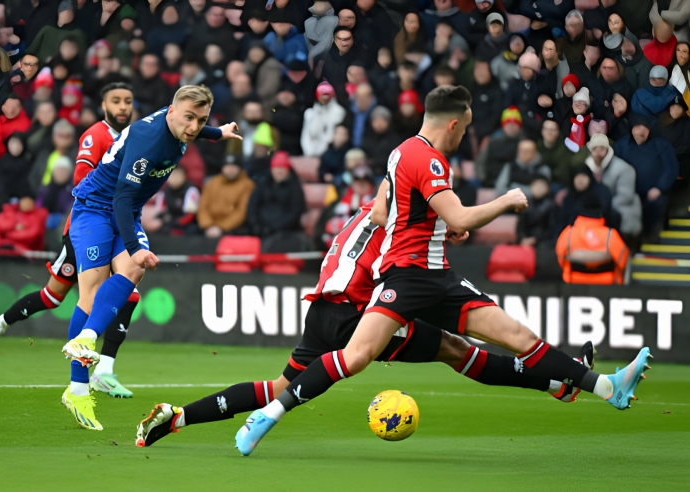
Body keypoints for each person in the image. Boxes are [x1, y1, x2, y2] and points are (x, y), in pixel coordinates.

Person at [234, 85, 652, 456]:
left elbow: (383, 211)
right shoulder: (429, 159)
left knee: (519, 338)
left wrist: (436, 227)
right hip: (406, 276)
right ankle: (269, 414)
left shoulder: (401, 151)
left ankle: (606, 387)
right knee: (357, 355)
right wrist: (506, 201)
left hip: (440, 277)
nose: (465, 135)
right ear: (452, 124)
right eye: (465, 128)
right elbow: (464, 217)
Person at [135, 199, 597, 448]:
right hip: (356, 313)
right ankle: (555, 381)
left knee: (280, 385)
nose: (450, 232)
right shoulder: (402, 223)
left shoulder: (370, 213)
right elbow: (400, 271)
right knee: (455, 349)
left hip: (323, 310)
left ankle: (179, 417)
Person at [59, 86, 240, 430]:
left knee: (132, 271)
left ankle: (86, 339)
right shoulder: (147, 141)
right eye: (189, 118)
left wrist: (219, 132)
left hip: (126, 209)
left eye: (200, 120)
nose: (193, 126)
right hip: (97, 208)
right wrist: (135, 244)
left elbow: (193, 123)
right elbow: (122, 200)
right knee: (91, 292)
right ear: (171, 111)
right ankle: (78, 388)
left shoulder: (181, 121)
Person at [0, 83, 142, 402]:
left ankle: (104, 372)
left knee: (127, 293)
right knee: (54, 296)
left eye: (128, 101)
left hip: (114, 225)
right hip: (85, 226)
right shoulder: (96, 135)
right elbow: (80, 179)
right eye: (116, 101)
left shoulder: (132, 137)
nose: (123, 107)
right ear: (103, 104)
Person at [614, 115, 680, 240]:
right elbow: (615, 169)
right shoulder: (621, 145)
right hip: (629, 192)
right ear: (631, 128)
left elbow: (671, 169)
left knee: (657, 203)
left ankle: (651, 236)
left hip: (654, 192)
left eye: (645, 127)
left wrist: (659, 188)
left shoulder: (661, 145)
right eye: (638, 127)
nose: (641, 131)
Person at [556, 193, 629, 285]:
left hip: (573, 284)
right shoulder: (610, 235)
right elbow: (624, 260)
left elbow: (560, 259)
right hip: (607, 286)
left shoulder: (568, 233)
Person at [584, 134, 642, 239]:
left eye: (601, 148)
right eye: (594, 149)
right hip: (595, 208)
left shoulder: (623, 168)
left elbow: (625, 196)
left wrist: (602, 209)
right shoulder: (585, 168)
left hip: (618, 208)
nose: (598, 152)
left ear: (607, 150)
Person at [247, 151, 305, 242]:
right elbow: (252, 207)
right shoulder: (263, 184)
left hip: (285, 232)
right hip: (260, 230)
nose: (279, 170)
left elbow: (294, 213)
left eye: (282, 167)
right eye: (276, 167)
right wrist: (257, 226)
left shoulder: (295, 188)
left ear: (288, 170)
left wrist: (275, 228)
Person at [196, 154, 255, 238]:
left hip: (232, 228)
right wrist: (207, 225)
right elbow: (202, 206)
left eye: (233, 166)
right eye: (227, 166)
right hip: (209, 226)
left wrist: (221, 227)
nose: (230, 170)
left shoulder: (247, 185)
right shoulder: (213, 182)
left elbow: (241, 212)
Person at [300, 81, 346, 157]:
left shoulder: (338, 112)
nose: (324, 97)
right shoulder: (309, 113)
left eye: (327, 94)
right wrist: (309, 152)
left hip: (328, 153)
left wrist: (319, 153)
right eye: (322, 94)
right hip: (309, 153)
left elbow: (330, 136)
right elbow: (305, 136)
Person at [516, 174, 555, 249]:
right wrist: (523, 238)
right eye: (536, 185)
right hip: (526, 240)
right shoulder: (525, 203)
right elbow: (520, 225)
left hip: (544, 241)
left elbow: (551, 228)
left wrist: (535, 239)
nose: (538, 188)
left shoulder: (552, 206)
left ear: (548, 188)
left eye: (542, 186)